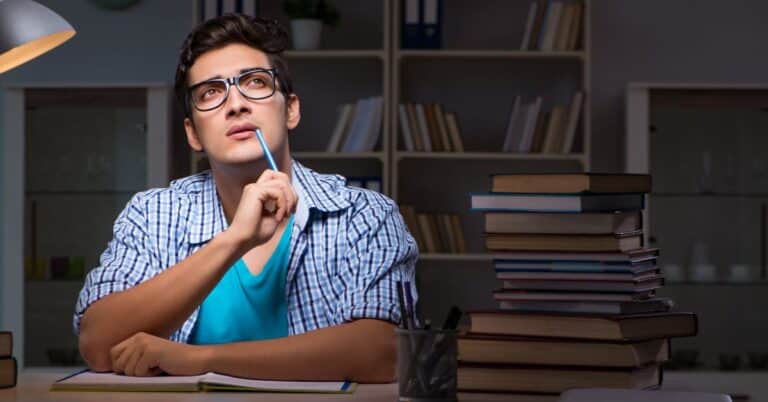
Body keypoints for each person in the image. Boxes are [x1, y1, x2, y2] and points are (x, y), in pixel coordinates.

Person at [74, 14, 418, 382]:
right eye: (210, 92)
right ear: (193, 134)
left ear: (291, 110)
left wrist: (203, 358)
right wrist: (234, 240)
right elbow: (98, 344)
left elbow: (383, 353)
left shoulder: (364, 213)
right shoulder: (152, 213)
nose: (235, 104)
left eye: (254, 82)